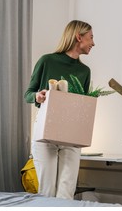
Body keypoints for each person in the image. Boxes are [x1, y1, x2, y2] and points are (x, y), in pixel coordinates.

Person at [24, 20, 95, 199]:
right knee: (46, 190)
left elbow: (81, 103)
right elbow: (28, 94)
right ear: (79, 37)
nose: (93, 43)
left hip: (71, 132)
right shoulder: (47, 61)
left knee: (67, 190)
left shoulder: (85, 71)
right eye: (91, 37)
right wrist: (37, 96)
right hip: (45, 126)